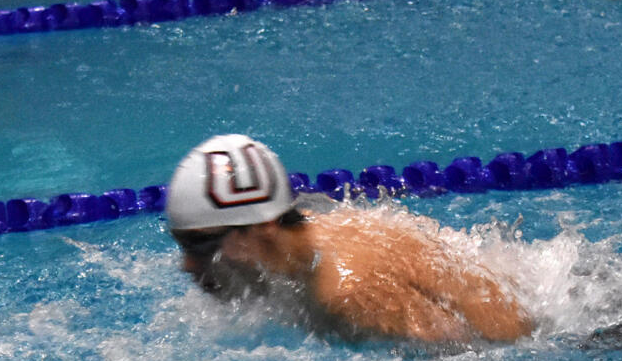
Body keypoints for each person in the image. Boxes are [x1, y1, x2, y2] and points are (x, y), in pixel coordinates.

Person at [166, 134, 533, 345]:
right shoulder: (304, 236)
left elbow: (480, 360)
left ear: (259, 230)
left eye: (199, 246)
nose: (187, 264)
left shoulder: (349, 293)